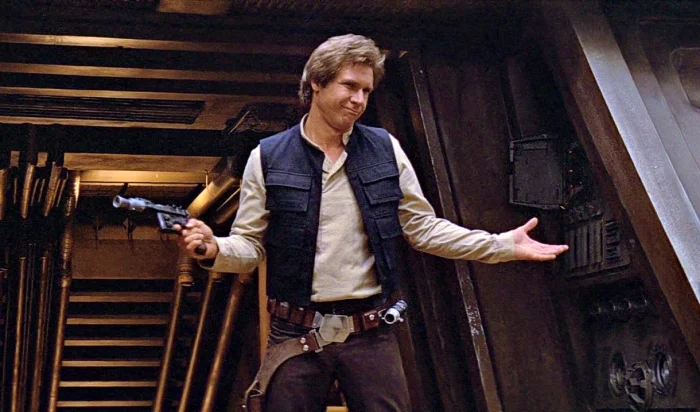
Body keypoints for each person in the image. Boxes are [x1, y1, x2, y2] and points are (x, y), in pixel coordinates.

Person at [175, 34, 568, 412]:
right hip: (295, 332)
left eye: (366, 90)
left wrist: (502, 245)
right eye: (349, 86)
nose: (359, 100)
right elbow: (250, 246)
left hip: (371, 332)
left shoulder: (385, 148)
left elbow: (423, 228)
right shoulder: (268, 156)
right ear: (316, 83)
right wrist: (214, 248)